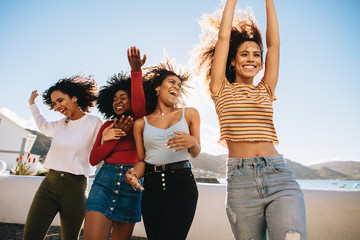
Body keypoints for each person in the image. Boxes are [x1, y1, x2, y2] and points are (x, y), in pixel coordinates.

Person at [192, 0, 307, 239]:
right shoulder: (220, 89)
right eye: (244, 54)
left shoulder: (265, 89)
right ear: (232, 61)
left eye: (256, 55)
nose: (251, 58)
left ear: (261, 64)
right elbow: (223, 39)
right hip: (240, 183)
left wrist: (269, 2)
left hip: (278, 176)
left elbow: (274, 45)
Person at [125, 58, 201, 240]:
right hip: (152, 187)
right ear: (158, 87)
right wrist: (133, 174)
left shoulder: (189, 113)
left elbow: (196, 152)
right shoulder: (140, 124)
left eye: (179, 85)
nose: (177, 86)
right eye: (172, 82)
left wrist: (192, 142)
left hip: (182, 185)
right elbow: (142, 161)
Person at [23, 75, 102, 240]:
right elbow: (42, 124)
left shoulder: (94, 123)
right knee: (30, 235)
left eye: (60, 100)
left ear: (74, 97)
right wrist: (32, 104)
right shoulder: (60, 124)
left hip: (75, 188)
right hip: (48, 185)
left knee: (70, 238)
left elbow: (101, 152)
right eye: (54, 104)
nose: (58, 106)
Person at [83, 46, 147, 240]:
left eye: (123, 97)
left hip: (132, 183)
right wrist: (116, 136)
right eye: (114, 99)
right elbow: (94, 159)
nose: (117, 101)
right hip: (104, 182)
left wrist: (136, 71)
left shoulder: (141, 122)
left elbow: (139, 105)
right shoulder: (107, 125)